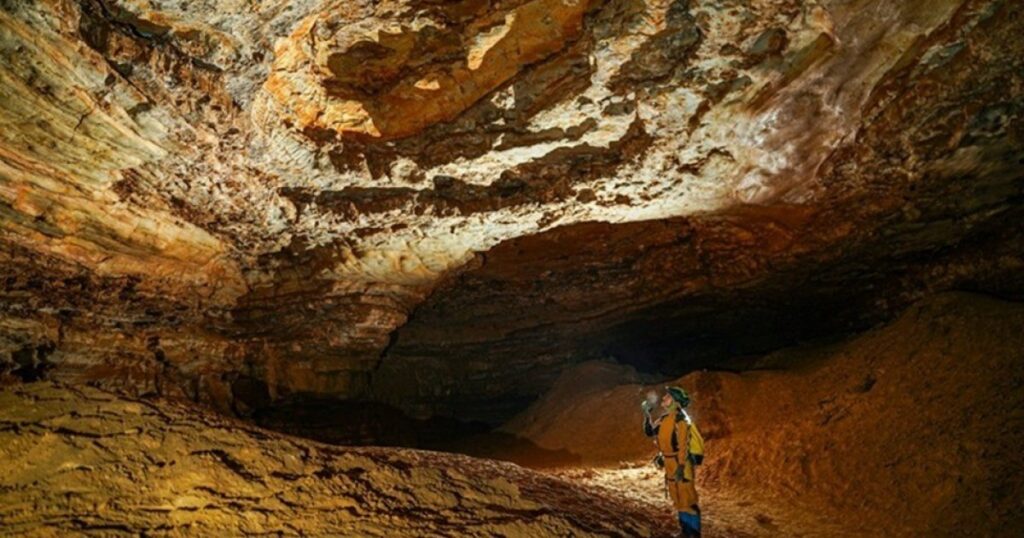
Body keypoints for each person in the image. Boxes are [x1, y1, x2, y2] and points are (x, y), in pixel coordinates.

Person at [642, 386, 705, 537]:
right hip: (670, 463)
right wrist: (646, 414)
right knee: (677, 497)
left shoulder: (680, 420)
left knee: (687, 498)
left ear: (676, 402)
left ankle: (694, 533)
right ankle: (685, 531)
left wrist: (682, 466)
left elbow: (683, 444)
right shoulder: (664, 419)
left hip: (680, 462)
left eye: (667, 397)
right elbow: (650, 431)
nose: (663, 399)